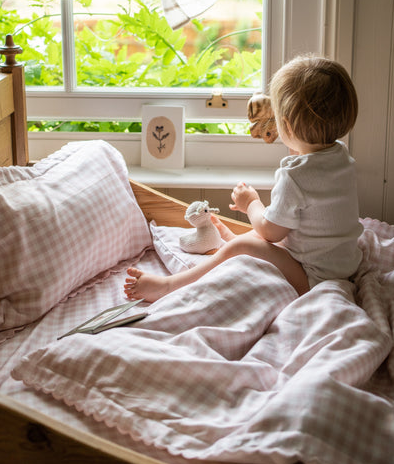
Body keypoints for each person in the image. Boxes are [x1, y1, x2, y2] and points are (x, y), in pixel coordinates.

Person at [124, 55, 363, 303]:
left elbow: (271, 233)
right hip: (345, 266)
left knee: (243, 247)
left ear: (286, 127)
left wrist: (251, 203)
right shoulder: (341, 157)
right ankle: (235, 241)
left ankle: (168, 286)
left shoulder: (295, 176)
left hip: (314, 279)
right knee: (260, 237)